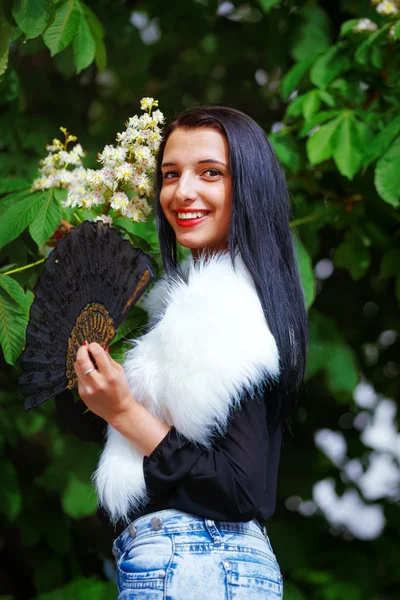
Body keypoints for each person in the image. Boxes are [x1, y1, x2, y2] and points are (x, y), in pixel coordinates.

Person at [73, 105, 308, 599]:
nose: (182, 193)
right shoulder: (218, 300)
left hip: (194, 562)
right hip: (205, 564)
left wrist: (124, 410)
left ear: (248, 188)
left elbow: (240, 490)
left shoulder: (222, 304)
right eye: (170, 175)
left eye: (211, 173)